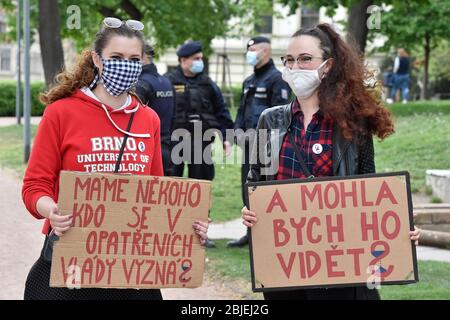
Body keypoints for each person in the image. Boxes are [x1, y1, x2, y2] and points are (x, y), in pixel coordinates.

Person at [21, 17, 209, 300]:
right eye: (116, 57)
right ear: (97, 59)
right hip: (71, 260)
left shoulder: (148, 119)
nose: (126, 64)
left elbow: (156, 194)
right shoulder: (61, 113)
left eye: (134, 59)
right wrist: (52, 211)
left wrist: (187, 225)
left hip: (130, 266)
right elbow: (34, 186)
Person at [240, 24, 421, 300]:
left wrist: (398, 228)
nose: (295, 66)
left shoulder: (352, 123)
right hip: (286, 269)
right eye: (289, 60)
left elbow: (368, 190)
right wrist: (250, 210)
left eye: (305, 59)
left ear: (327, 66)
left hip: (341, 272)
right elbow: (255, 182)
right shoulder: (270, 119)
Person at [165, 41, 234, 248]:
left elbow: (221, 112)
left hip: (200, 145)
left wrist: (226, 137)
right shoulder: (167, 82)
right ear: (183, 60)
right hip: (173, 144)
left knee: (200, 190)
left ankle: (200, 234)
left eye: (200, 58)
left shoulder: (208, 84)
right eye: (195, 59)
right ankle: (169, 233)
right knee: (171, 188)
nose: (199, 62)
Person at [227, 36, 291, 248]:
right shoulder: (249, 81)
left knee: (266, 190)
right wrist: (236, 132)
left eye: (253, 49)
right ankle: (250, 232)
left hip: (267, 146)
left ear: (266, 51)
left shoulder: (277, 79)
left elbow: (280, 116)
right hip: (248, 147)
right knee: (248, 189)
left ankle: (269, 234)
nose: (250, 53)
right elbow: (241, 112)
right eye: (249, 49)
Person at [135, 43, 176, 176]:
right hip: (167, 148)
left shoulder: (141, 83)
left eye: (134, 57)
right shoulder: (166, 82)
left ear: (144, 57)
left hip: (148, 150)